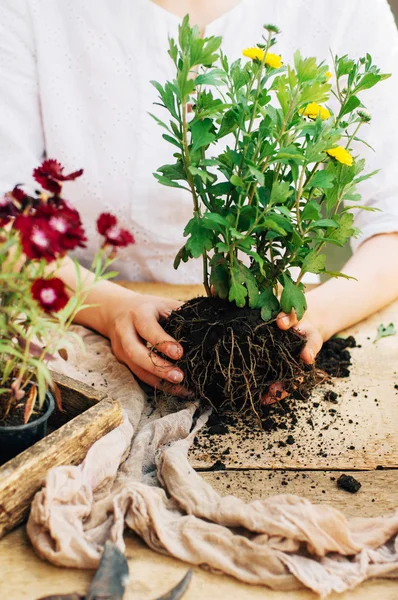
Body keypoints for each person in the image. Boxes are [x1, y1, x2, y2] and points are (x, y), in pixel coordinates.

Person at [1, 0, 398, 397]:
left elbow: (391, 230)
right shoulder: (30, 10)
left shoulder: (349, 10)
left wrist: (311, 322)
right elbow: (8, 220)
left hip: (273, 331)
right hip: (76, 339)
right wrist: (106, 307)